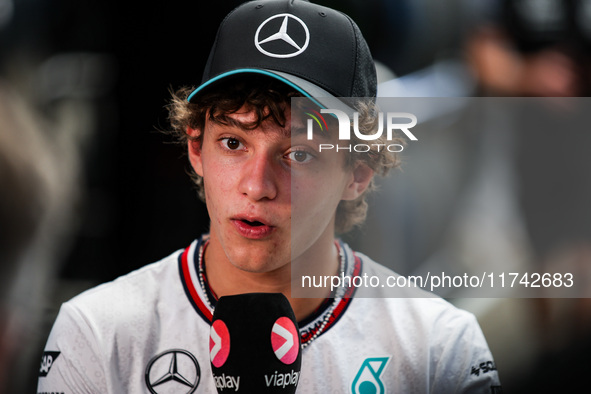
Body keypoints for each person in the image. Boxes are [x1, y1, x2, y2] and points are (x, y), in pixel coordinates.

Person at [38, 0, 502, 392]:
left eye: (298, 154)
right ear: (196, 148)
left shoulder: (441, 348)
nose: (257, 185)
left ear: (357, 175)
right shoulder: (97, 333)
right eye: (234, 143)